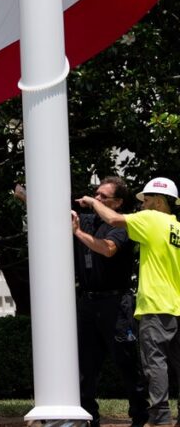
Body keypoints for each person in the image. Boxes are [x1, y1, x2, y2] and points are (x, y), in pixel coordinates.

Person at [77, 177, 180, 427]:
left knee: (154, 364)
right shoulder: (176, 227)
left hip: (156, 305)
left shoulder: (151, 218)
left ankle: (159, 418)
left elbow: (114, 221)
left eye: (146, 200)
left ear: (158, 201)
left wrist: (91, 201)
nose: (142, 205)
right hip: (176, 305)